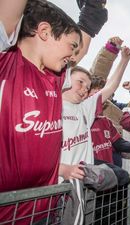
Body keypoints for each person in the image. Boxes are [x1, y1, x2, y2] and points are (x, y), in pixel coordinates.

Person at [0, 0, 82, 222]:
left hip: (46, 210)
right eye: (71, 46)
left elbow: (85, 34)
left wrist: (95, 11)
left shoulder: (56, 78)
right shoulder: (5, 63)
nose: (74, 57)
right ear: (44, 31)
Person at [59, 45, 130, 181]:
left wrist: (124, 61)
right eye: (80, 82)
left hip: (84, 188)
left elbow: (110, 87)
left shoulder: (85, 108)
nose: (84, 89)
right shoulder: (49, 108)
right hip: (56, 189)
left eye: (87, 87)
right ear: (66, 79)